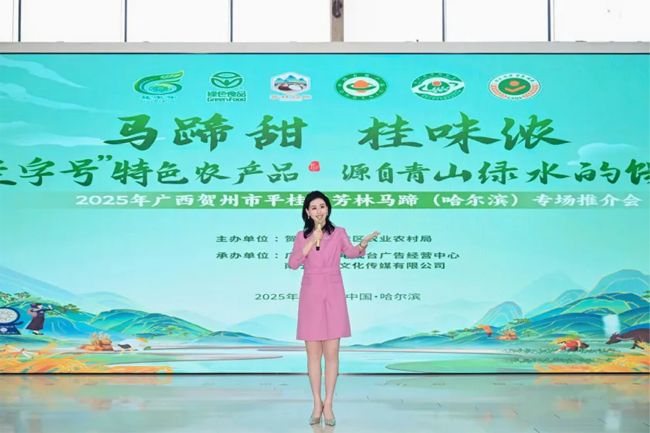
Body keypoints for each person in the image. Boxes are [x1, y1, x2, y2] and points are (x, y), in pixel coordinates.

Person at [288, 191, 379, 426]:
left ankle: (328, 404)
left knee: (332, 353)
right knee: (313, 355)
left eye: (322, 206)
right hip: (311, 293)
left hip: (333, 292)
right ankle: (316, 403)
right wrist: (312, 241)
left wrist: (363, 244)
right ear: (307, 212)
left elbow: (350, 253)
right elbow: (293, 263)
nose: (319, 211)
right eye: (314, 208)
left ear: (328, 209)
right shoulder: (301, 236)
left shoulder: (339, 233)